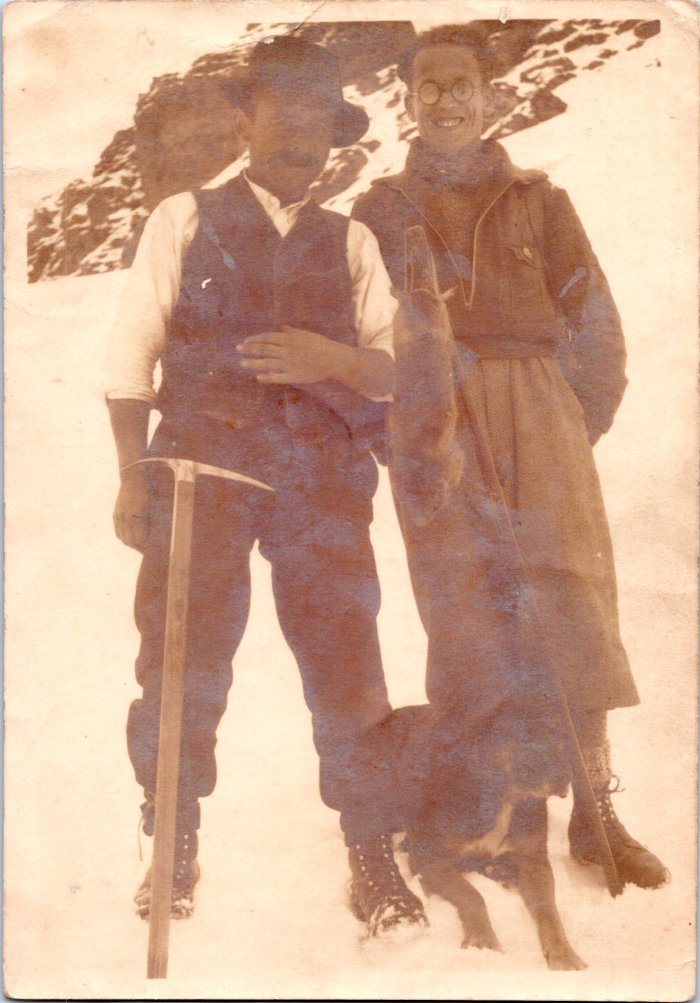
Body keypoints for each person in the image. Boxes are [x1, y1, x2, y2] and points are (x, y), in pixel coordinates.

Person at [105, 35, 427, 935]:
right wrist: (132, 475)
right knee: (181, 657)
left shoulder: (350, 237)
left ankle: (371, 849)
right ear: (245, 118)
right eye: (280, 109)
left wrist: (334, 360)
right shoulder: (184, 217)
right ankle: (169, 835)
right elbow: (129, 355)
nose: (298, 130)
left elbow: (397, 369)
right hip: (200, 472)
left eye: (316, 116)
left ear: (334, 134)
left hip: (322, 482)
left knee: (347, 662)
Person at [352, 23, 668, 890]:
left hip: (540, 409)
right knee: (464, 607)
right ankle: (482, 807)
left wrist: (567, 420)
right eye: (430, 86)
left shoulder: (538, 199)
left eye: (463, 85)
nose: (447, 99)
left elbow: (595, 325)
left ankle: (596, 811)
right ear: (406, 101)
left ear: (492, 98)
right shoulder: (380, 209)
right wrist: (414, 433)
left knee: (571, 596)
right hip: (434, 417)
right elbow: (364, 333)